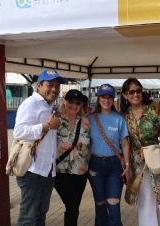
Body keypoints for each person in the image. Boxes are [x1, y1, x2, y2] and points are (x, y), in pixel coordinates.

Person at [120, 78, 160, 226]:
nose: (136, 94)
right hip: (139, 164)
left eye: (138, 91)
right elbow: (124, 141)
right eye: (131, 92)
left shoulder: (155, 109)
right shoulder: (124, 115)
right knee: (145, 200)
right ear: (125, 95)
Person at [13, 69, 64, 226]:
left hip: (47, 169)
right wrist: (47, 125)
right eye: (50, 85)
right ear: (39, 85)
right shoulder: (30, 104)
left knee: (41, 214)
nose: (54, 89)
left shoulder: (51, 104)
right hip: (32, 170)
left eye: (57, 85)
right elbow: (19, 132)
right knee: (28, 217)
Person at [88, 84, 130, 226]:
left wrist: (128, 164)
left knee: (113, 205)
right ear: (98, 99)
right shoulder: (90, 118)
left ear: (113, 99)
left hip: (114, 166)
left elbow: (124, 143)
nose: (107, 100)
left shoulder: (119, 119)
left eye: (110, 97)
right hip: (95, 165)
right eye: (103, 97)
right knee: (100, 204)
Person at [55, 89, 91, 226]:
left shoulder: (87, 123)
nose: (74, 105)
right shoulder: (56, 121)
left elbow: (92, 144)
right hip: (61, 172)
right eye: (71, 101)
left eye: (78, 103)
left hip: (81, 172)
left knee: (74, 207)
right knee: (71, 204)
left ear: (81, 105)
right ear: (64, 101)